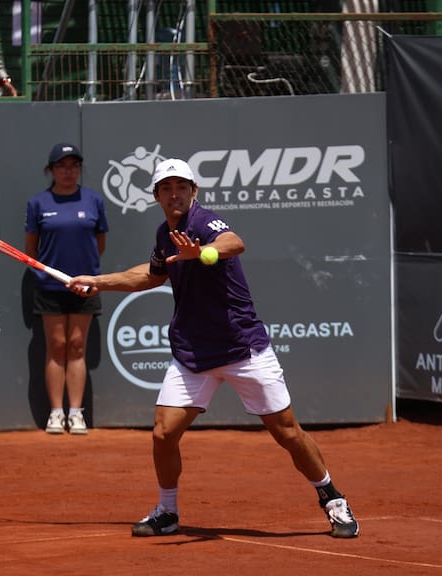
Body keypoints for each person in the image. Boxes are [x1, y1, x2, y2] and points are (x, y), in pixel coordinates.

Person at [68, 158, 359, 538]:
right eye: (167, 188)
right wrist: (98, 281)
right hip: (193, 355)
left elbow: (234, 243)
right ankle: (167, 511)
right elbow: (152, 274)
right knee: (163, 433)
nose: (175, 194)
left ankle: (332, 498)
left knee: (287, 433)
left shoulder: (203, 222)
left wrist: (203, 253)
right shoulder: (164, 234)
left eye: (181, 187)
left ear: (194, 192)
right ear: (156, 196)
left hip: (242, 349)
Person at [25, 143, 108, 435]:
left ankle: (76, 413)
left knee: (77, 346)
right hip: (50, 286)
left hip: (85, 286)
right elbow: (31, 250)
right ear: (51, 170)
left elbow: (99, 245)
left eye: (73, 166)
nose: (68, 171)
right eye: (61, 166)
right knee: (56, 346)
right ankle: (56, 413)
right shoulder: (38, 204)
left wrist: (86, 277)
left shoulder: (93, 200)